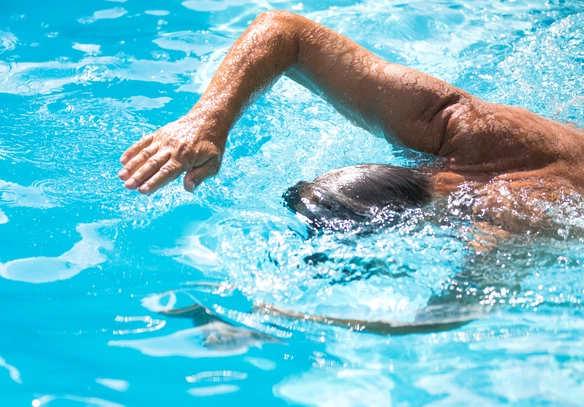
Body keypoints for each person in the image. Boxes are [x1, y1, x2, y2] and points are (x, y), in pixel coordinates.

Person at [117, 10, 584, 233]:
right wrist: (208, 119)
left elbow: (435, 323)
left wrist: (274, 318)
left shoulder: (508, 224)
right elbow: (285, 34)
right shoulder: (449, 124)